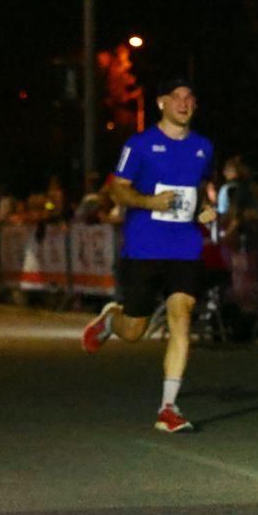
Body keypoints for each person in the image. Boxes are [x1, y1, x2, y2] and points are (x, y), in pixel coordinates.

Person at [82, 76, 215, 433]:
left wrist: (205, 209)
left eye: (189, 98)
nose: (184, 104)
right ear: (161, 103)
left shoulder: (203, 147)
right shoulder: (139, 145)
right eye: (176, 97)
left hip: (185, 246)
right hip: (145, 246)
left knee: (181, 316)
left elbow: (200, 189)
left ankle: (168, 407)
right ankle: (111, 321)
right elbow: (118, 191)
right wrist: (149, 202)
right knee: (134, 331)